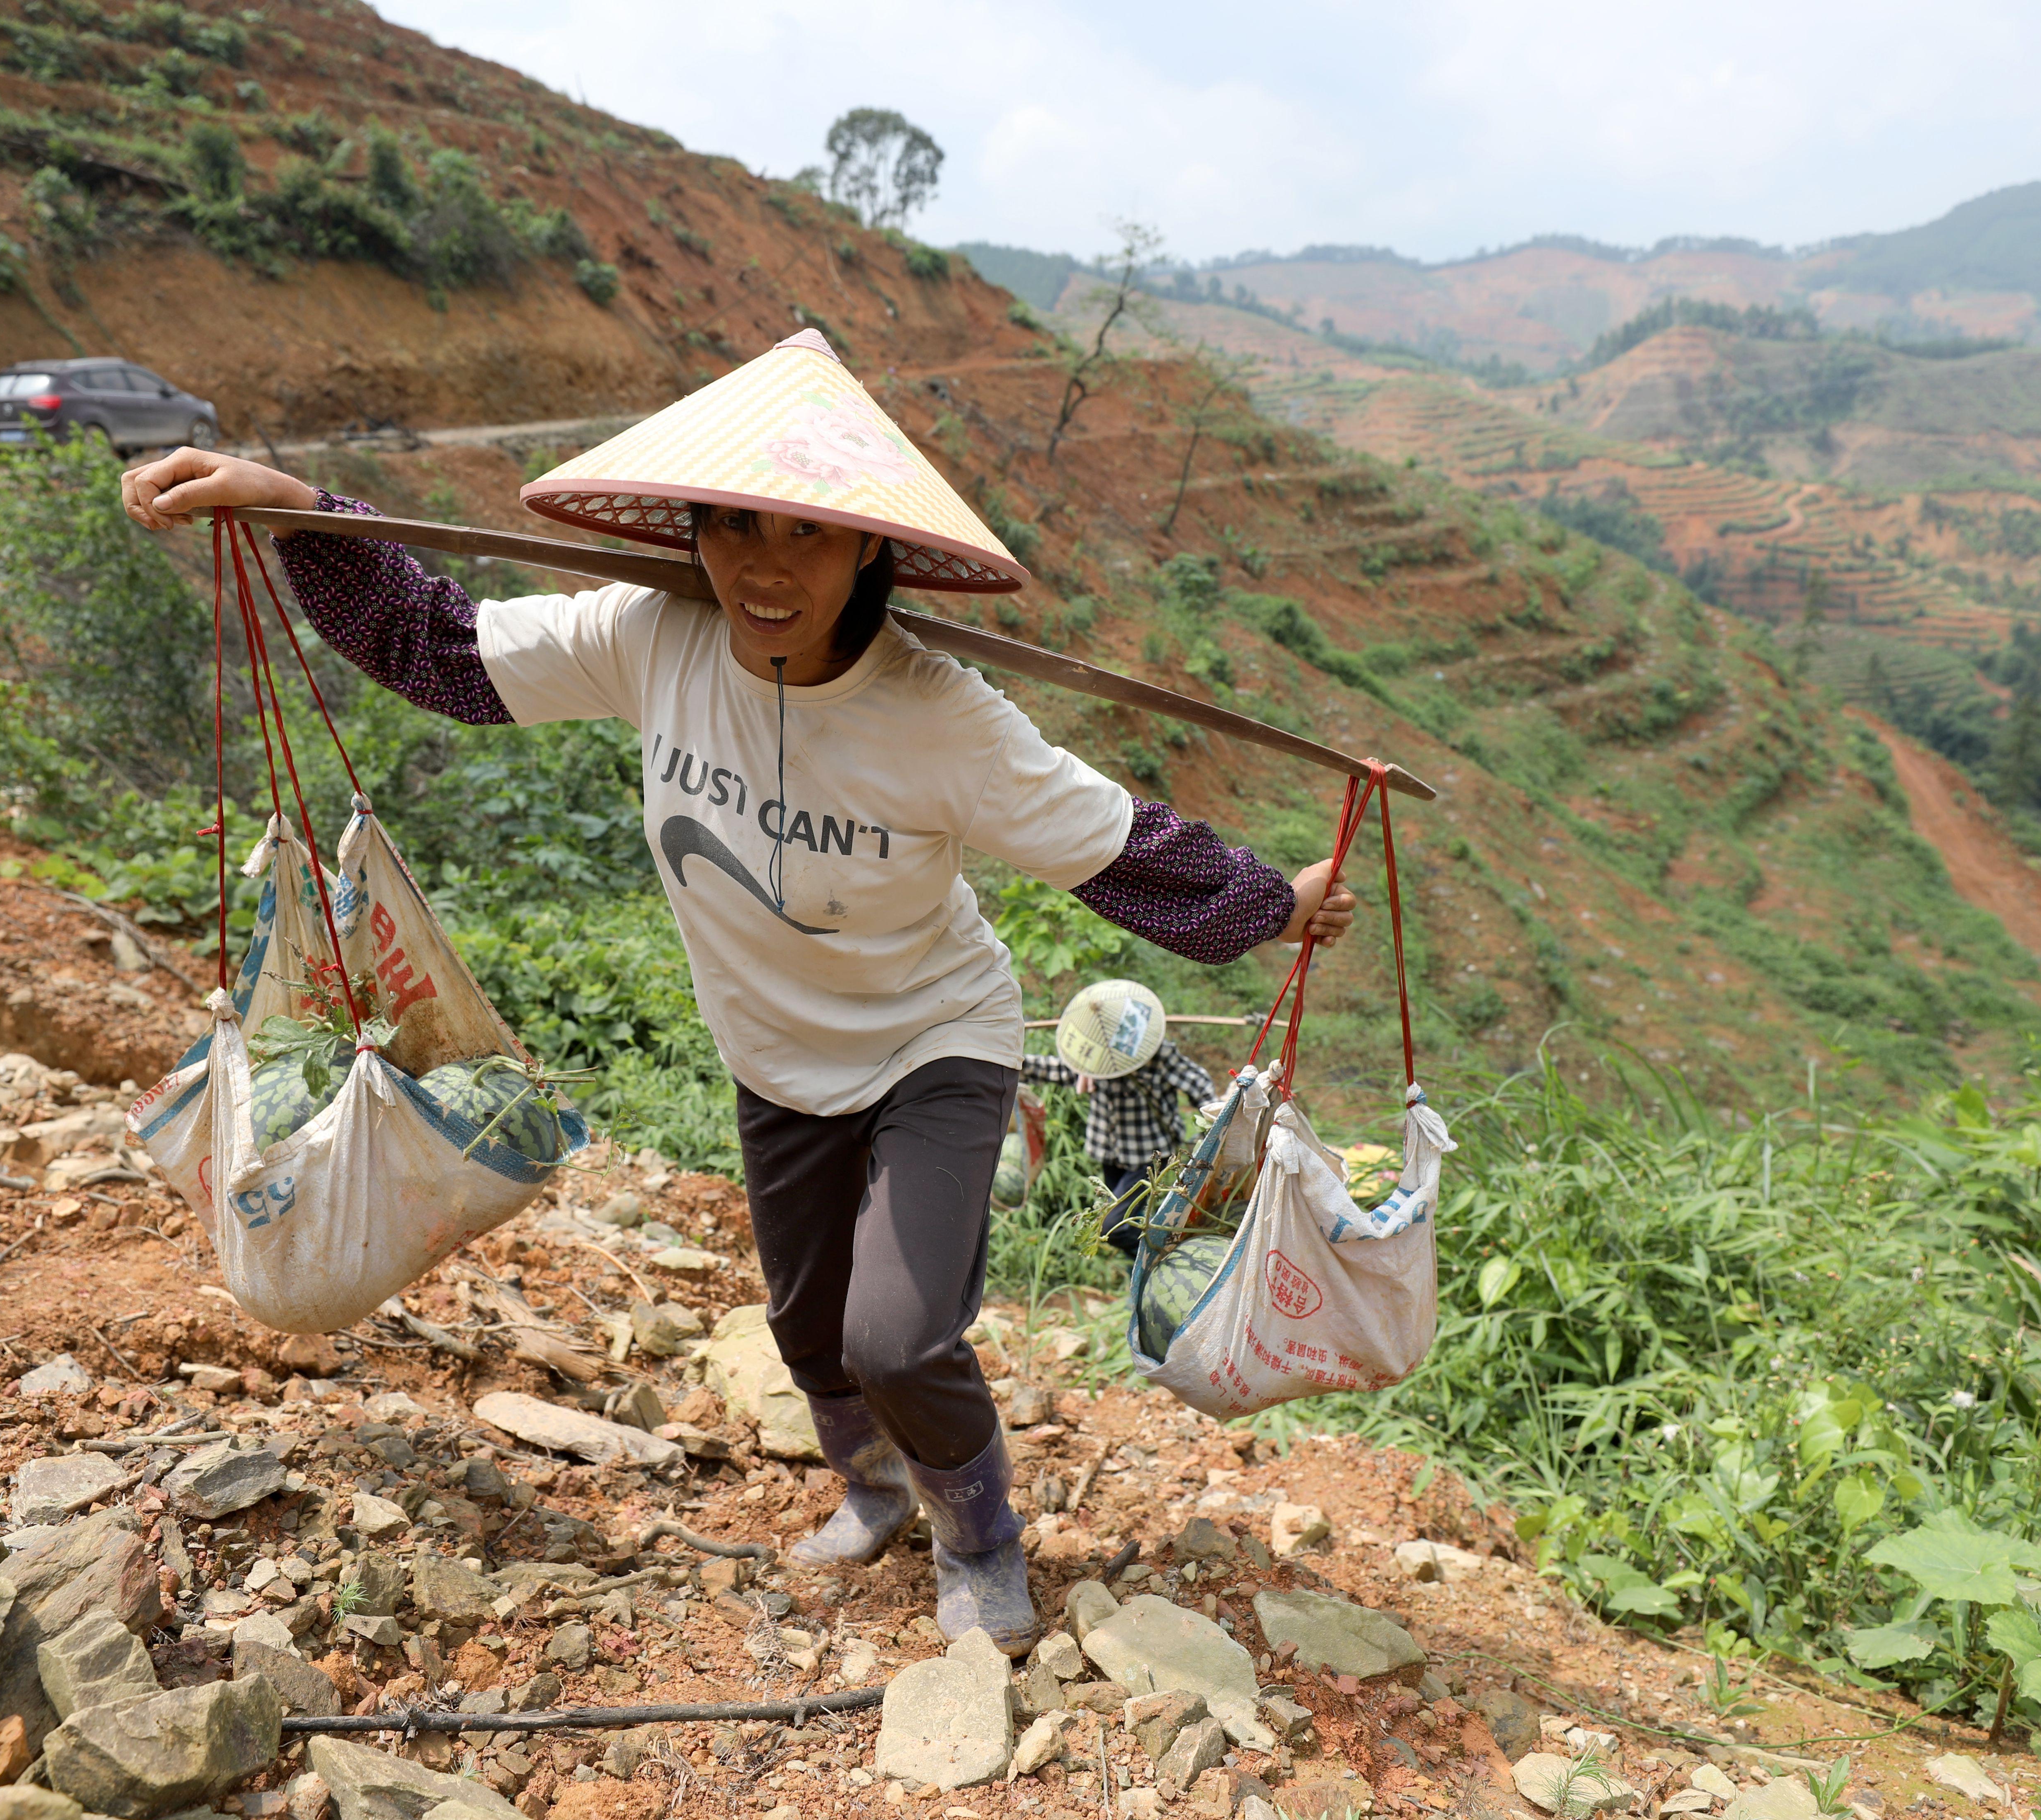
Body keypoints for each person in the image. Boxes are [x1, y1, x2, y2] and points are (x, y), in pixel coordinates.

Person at [119, 330, 1354, 1656]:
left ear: (871, 551)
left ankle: (979, 1529)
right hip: (773, 1056)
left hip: (933, 1039)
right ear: (691, 528)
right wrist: (302, 516)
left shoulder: (941, 716)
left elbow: (1113, 844)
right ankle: (874, 1487)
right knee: (804, 1324)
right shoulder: (651, 636)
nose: (766, 568)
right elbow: (446, 650)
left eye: (809, 536)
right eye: (735, 525)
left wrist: (1271, 905)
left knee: (896, 1330)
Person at [1019, 979, 1219, 1255]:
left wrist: (1212, 1130)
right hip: (1111, 1153)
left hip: (1149, 1156)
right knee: (1130, 1224)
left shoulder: (1155, 1054)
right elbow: (1058, 1071)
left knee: (1115, 1226)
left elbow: (1199, 1084)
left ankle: (1164, 1260)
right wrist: (1013, 1063)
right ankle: (1141, 1285)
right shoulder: (1092, 1060)